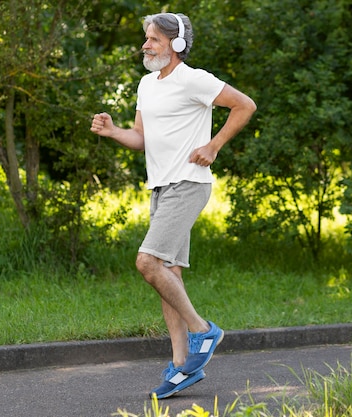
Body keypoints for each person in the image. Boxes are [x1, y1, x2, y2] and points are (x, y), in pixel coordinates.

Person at [90, 12, 256, 399]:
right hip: (161, 187)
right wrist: (115, 132)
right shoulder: (147, 85)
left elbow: (244, 105)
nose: (145, 45)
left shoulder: (194, 79)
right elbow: (141, 139)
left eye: (153, 39)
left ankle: (203, 331)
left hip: (189, 183)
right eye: (146, 39)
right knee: (170, 274)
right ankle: (182, 365)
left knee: (148, 262)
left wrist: (213, 146)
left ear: (176, 44)